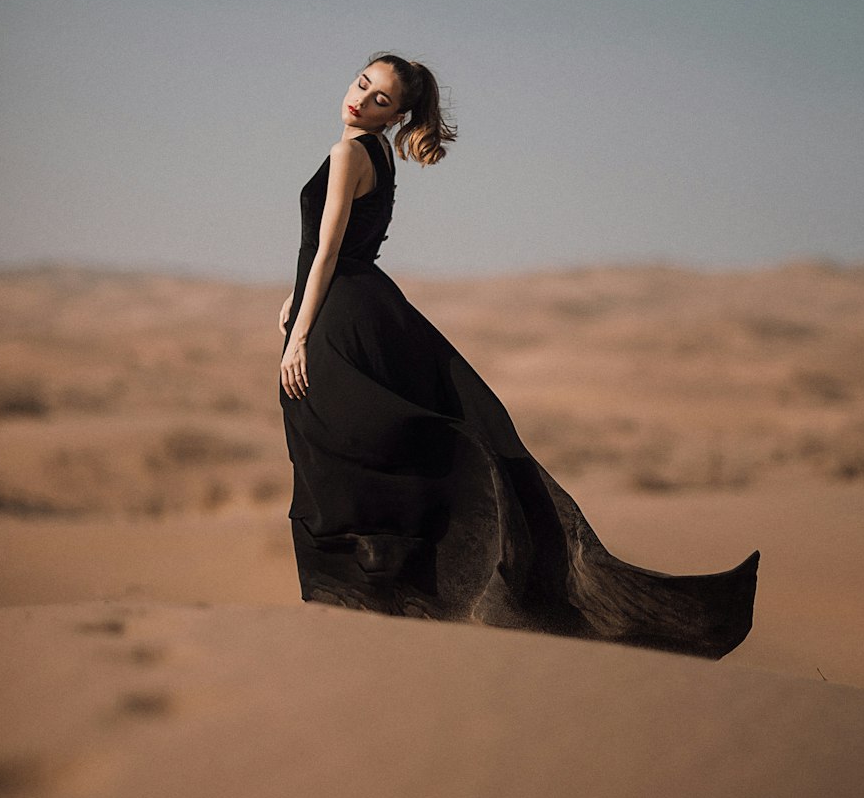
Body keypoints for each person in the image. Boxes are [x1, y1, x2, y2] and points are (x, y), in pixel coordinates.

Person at [278, 54, 759, 658]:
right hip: (359, 308)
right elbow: (338, 247)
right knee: (362, 453)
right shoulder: (374, 155)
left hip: (340, 322)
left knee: (333, 458)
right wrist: (294, 298)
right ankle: (389, 609)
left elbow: (328, 251)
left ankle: (360, 619)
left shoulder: (352, 153)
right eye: (362, 84)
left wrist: (300, 329)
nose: (361, 99)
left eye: (380, 100)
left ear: (398, 115)